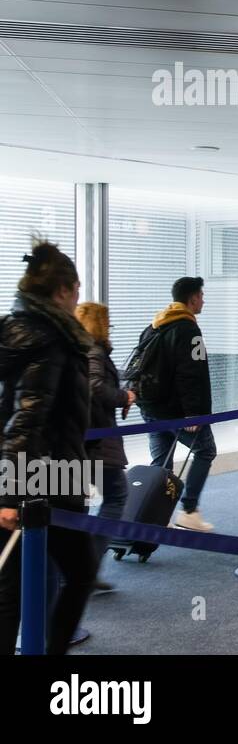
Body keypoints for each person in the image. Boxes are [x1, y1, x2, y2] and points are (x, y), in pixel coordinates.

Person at [0, 241, 97, 654]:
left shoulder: (23, 331)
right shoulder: (51, 340)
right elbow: (27, 421)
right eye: (76, 290)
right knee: (73, 573)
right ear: (61, 291)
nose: (79, 300)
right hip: (45, 479)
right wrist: (9, 494)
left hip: (46, 474)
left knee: (18, 583)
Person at [137, 277, 216, 532]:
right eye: (201, 295)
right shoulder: (188, 329)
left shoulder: (155, 325)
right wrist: (194, 414)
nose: (203, 300)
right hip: (177, 411)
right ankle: (189, 510)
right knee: (205, 451)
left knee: (161, 464)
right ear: (192, 298)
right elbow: (190, 374)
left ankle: (150, 515)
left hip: (151, 408)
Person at [75, 302, 133, 591]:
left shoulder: (76, 350)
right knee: (116, 496)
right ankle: (86, 568)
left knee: (78, 506)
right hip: (98, 443)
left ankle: (74, 570)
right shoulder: (95, 352)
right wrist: (124, 397)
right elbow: (96, 387)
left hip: (80, 442)